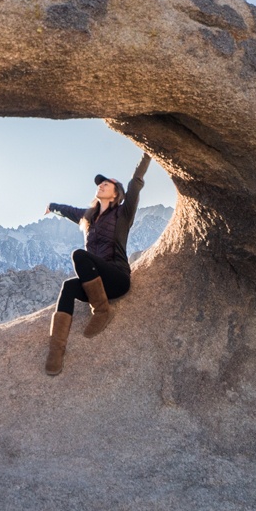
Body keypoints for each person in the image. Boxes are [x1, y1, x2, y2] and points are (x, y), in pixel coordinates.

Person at [43, 151, 152, 376]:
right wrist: (51, 206)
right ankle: (56, 351)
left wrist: (147, 153)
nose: (101, 185)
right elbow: (67, 210)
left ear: (116, 194)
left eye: (106, 184)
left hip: (117, 279)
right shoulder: (88, 216)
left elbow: (136, 182)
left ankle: (101, 311)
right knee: (68, 287)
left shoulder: (124, 213)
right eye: (99, 184)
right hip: (97, 284)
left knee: (79, 255)